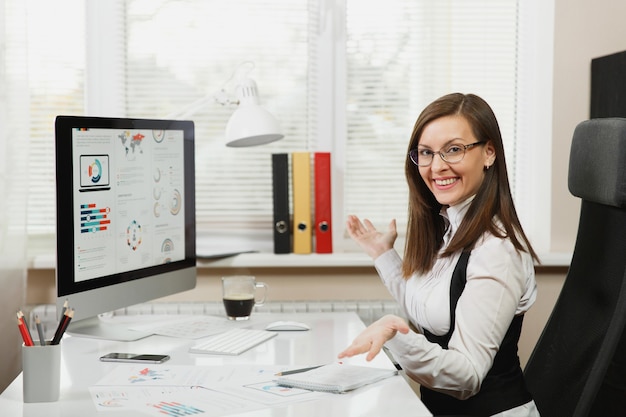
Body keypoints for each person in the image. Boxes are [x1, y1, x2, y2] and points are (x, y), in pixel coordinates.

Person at [338, 93, 541, 416]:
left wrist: (395, 333)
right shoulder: (447, 226)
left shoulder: (496, 249)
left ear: (489, 152)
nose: (437, 166)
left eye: (454, 149)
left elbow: (467, 376)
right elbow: (429, 310)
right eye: (426, 153)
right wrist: (383, 255)